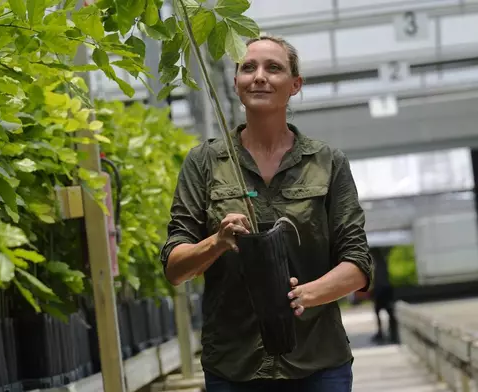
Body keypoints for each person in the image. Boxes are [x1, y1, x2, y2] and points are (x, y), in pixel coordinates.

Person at [160, 35, 374, 392]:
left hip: (317, 363)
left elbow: (358, 263)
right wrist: (217, 241)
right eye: (248, 68)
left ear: (295, 85)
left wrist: (305, 295)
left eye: (273, 68)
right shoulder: (205, 163)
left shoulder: (327, 163)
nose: (259, 76)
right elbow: (174, 266)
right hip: (235, 366)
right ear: (236, 84)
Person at [370, 248, 398, 344]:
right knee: (387, 313)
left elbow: (379, 280)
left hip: (382, 291)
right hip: (384, 290)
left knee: (386, 312)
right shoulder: (380, 263)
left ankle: (388, 332)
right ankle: (389, 332)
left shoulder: (378, 264)